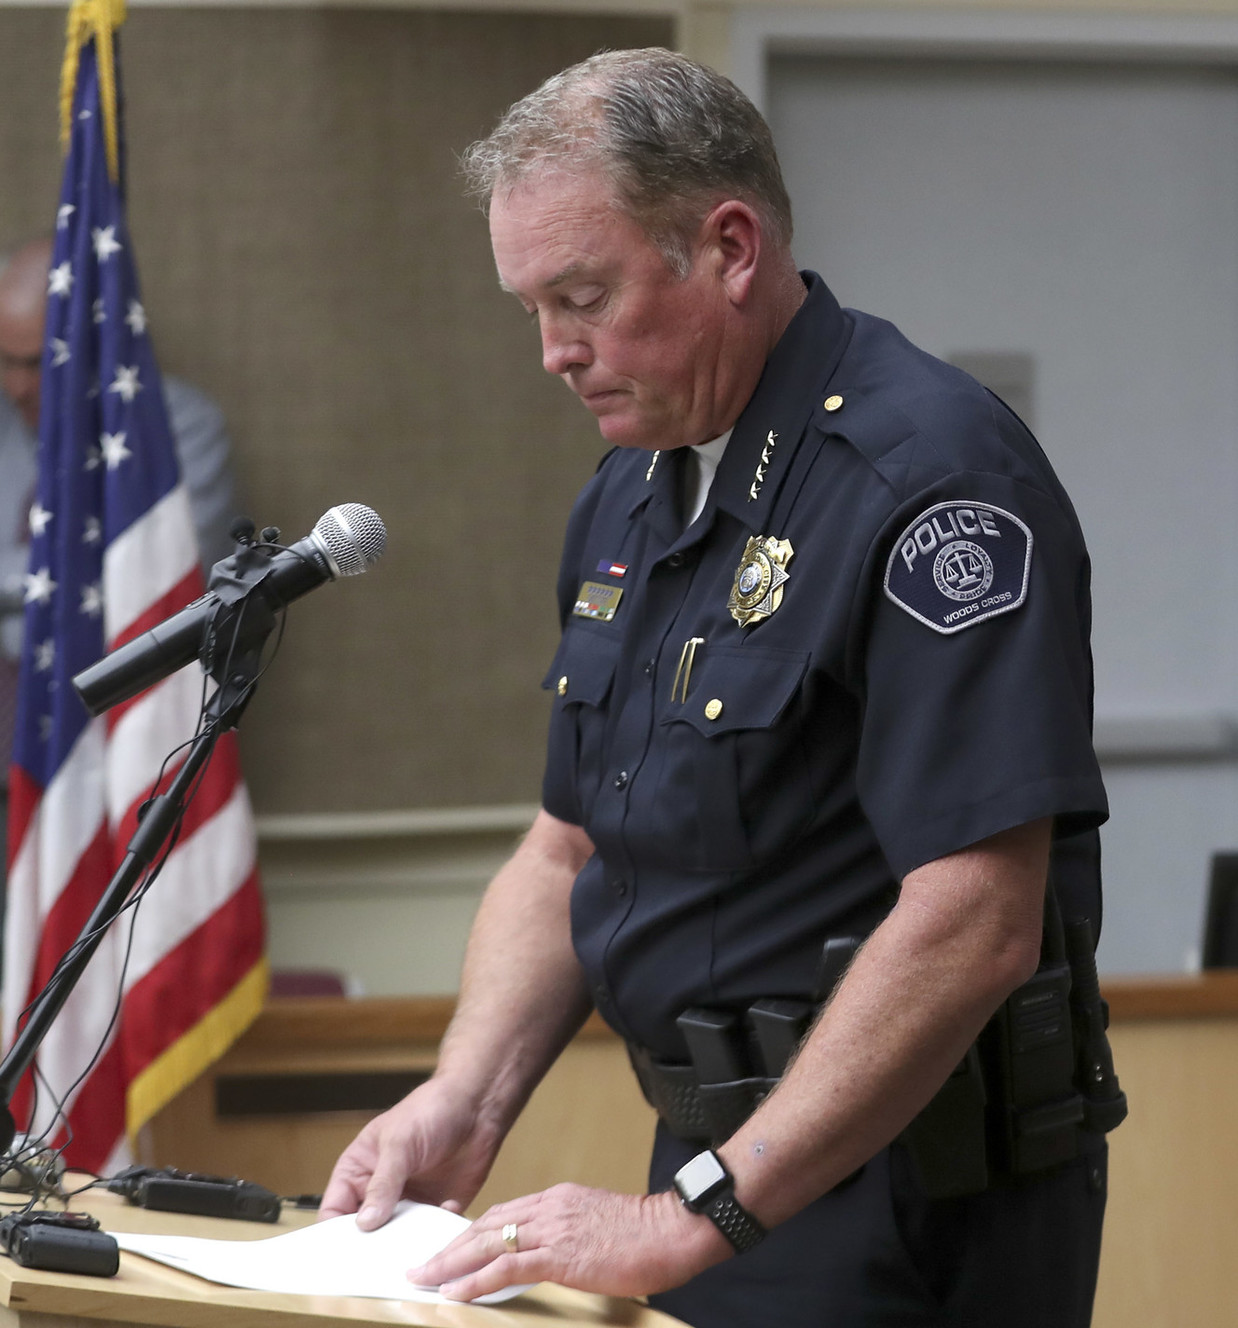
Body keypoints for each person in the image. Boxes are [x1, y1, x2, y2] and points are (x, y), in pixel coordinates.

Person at [320, 49, 1120, 1326]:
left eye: (580, 294)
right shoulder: (633, 487)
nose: (551, 351)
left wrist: (691, 1216)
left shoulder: (927, 480)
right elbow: (564, 847)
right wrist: (460, 1102)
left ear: (728, 248)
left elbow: (974, 911)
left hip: (903, 1196)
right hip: (716, 1168)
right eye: (528, 305)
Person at [0, 236, 238, 865]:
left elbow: (165, 589)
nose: (17, 385)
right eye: (4, 360)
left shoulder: (175, 427)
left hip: (124, 744)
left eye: (35, 362)